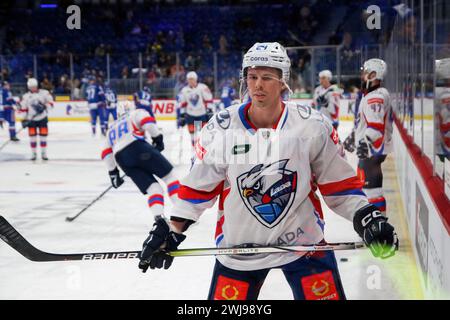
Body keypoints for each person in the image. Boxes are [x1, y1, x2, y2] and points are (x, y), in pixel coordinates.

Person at [137, 42, 399, 300]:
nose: (257, 85)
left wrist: (366, 216)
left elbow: (339, 185)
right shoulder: (221, 129)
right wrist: (173, 230)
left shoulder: (311, 126)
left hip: (304, 244)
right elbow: (197, 189)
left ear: (283, 81)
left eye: (266, 77)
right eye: (252, 77)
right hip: (239, 249)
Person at [101, 103, 180, 219]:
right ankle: (181, 214)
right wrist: (157, 138)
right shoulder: (135, 113)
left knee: (153, 188)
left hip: (122, 159)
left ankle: (159, 218)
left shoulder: (110, 130)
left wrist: (113, 173)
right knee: (169, 177)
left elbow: (106, 152)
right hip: (138, 147)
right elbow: (148, 122)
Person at [353, 58, 393, 215]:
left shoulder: (374, 97)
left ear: (373, 74)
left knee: (372, 193)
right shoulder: (376, 94)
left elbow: (376, 129)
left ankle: (379, 233)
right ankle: (379, 229)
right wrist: (354, 136)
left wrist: (364, 142)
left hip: (372, 151)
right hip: (375, 150)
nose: (363, 75)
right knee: (371, 191)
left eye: (365, 72)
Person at [20, 78, 54, 161]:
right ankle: (33, 153)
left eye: (34, 86)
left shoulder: (44, 93)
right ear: (28, 87)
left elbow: (51, 104)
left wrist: (45, 106)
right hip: (32, 120)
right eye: (31, 87)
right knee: (33, 138)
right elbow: (23, 109)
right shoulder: (26, 96)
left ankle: (44, 153)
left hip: (42, 118)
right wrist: (24, 119)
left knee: (43, 137)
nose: (33, 88)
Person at [177, 71, 214, 146]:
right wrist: (182, 115)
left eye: (192, 79)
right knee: (192, 133)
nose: (191, 81)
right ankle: (193, 148)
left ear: (196, 79)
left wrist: (209, 110)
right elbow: (182, 103)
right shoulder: (184, 90)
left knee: (202, 132)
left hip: (201, 114)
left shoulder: (203, 87)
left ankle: (201, 147)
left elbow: (209, 99)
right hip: (190, 115)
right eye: (189, 79)